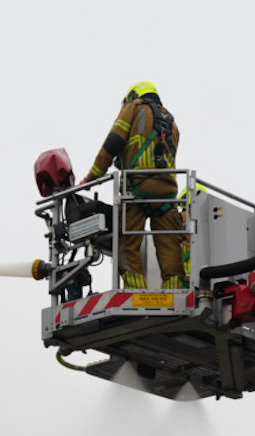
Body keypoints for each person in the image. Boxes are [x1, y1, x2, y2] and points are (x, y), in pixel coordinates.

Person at [84, 82, 187, 290]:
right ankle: (175, 289)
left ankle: (134, 289)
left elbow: (113, 142)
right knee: (169, 245)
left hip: (137, 188)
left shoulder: (134, 107)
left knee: (127, 242)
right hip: (167, 194)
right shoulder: (172, 123)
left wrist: (92, 176)